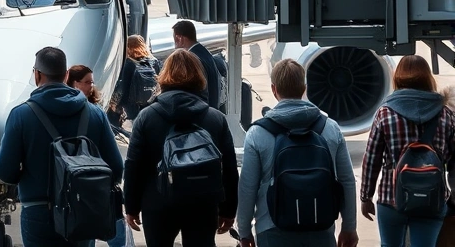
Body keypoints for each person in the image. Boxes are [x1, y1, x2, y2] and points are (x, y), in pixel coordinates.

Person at [0, 47, 124, 247]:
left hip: (38, 212)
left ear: (37, 74)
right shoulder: (95, 114)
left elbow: (5, 171)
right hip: (83, 211)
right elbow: (116, 168)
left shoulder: (21, 115)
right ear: (66, 75)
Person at [122, 49, 238, 247]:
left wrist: (131, 206)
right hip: (203, 201)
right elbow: (229, 168)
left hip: (158, 201)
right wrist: (228, 210)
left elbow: (134, 165)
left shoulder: (147, 117)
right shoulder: (215, 118)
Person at [236, 59, 358, 247]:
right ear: (304, 88)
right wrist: (349, 227)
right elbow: (347, 181)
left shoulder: (258, 133)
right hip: (320, 225)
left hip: (272, 228)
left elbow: (247, 187)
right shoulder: (330, 129)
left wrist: (244, 232)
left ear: (274, 89)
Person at [361, 55, 455, 247]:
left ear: (398, 78)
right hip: (433, 199)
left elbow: (372, 159)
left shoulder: (385, 113)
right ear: (428, 77)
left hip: (391, 198)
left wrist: (366, 197)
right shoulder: (445, 115)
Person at [67, 64, 127, 247]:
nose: (91, 87)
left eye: (92, 82)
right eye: (86, 83)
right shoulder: (96, 114)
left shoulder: (91, 111)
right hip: (95, 184)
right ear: (73, 83)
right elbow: (116, 164)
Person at [109, 34, 163, 128]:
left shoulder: (129, 64)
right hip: (150, 105)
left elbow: (123, 88)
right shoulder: (154, 62)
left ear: (129, 48)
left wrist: (115, 105)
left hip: (131, 107)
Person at [171, 20, 223, 111]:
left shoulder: (191, 58)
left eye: (174, 39)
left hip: (202, 112)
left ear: (180, 38)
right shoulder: (203, 52)